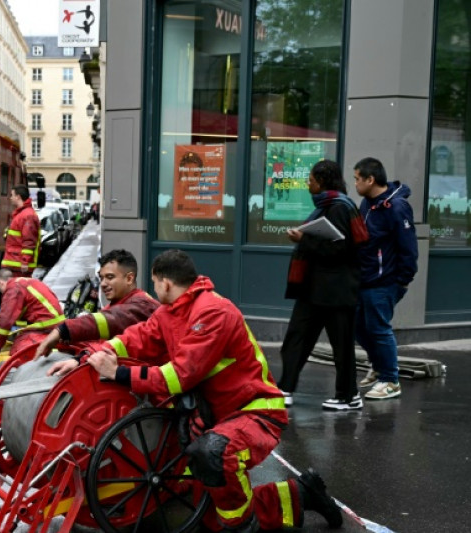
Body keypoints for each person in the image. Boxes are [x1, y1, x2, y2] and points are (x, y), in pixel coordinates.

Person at [55, 250, 342, 532]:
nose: (154, 290)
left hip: (253, 411)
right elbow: (135, 338)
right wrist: (89, 358)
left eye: (154, 283)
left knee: (214, 454)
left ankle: (242, 527)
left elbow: (178, 377)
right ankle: (301, 495)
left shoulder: (214, 312)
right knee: (209, 515)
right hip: (217, 418)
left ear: (166, 283)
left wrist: (118, 373)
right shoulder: (170, 312)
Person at [278, 160, 364, 410]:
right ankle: (285, 388)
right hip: (314, 289)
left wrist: (304, 239)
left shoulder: (339, 208)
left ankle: (348, 396)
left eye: (311, 180)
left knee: (341, 346)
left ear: (323, 182)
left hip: (336, 291)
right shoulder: (327, 207)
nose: (308, 184)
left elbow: (341, 249)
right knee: (296, 338)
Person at [353, 157, 418, 400]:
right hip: (364, 278)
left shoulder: (397, 207)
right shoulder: (367, 204)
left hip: (385, 281)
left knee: (379, 329)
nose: (355, 184)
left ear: (370, 180)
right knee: (358, 327)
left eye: (357, 179)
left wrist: (403, 280)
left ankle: (390, 380)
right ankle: (379, 365)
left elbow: (408, 247)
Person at [34, 249, 158, 366]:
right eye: (101, 278)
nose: (103, 284)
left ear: (129, 278)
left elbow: (109, 320)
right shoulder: (118, 304)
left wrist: (64, 330)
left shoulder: (143, 305)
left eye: (110, 277)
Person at [0, 268, 64, 358]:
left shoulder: (13, 288)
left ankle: (48, 353)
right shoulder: (24, 282)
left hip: (46, 326)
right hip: (58, 326)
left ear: (0, 282)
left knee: (18, 349)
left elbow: (5, 322)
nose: (1, 292)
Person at [1, 185, 40, 277]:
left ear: (18, 197)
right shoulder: (22, 214)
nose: (10, 198)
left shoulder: (27, 215)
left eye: (12, 195)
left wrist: (25, 261)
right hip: (15, 263)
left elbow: (29, 241)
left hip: (19, 265)